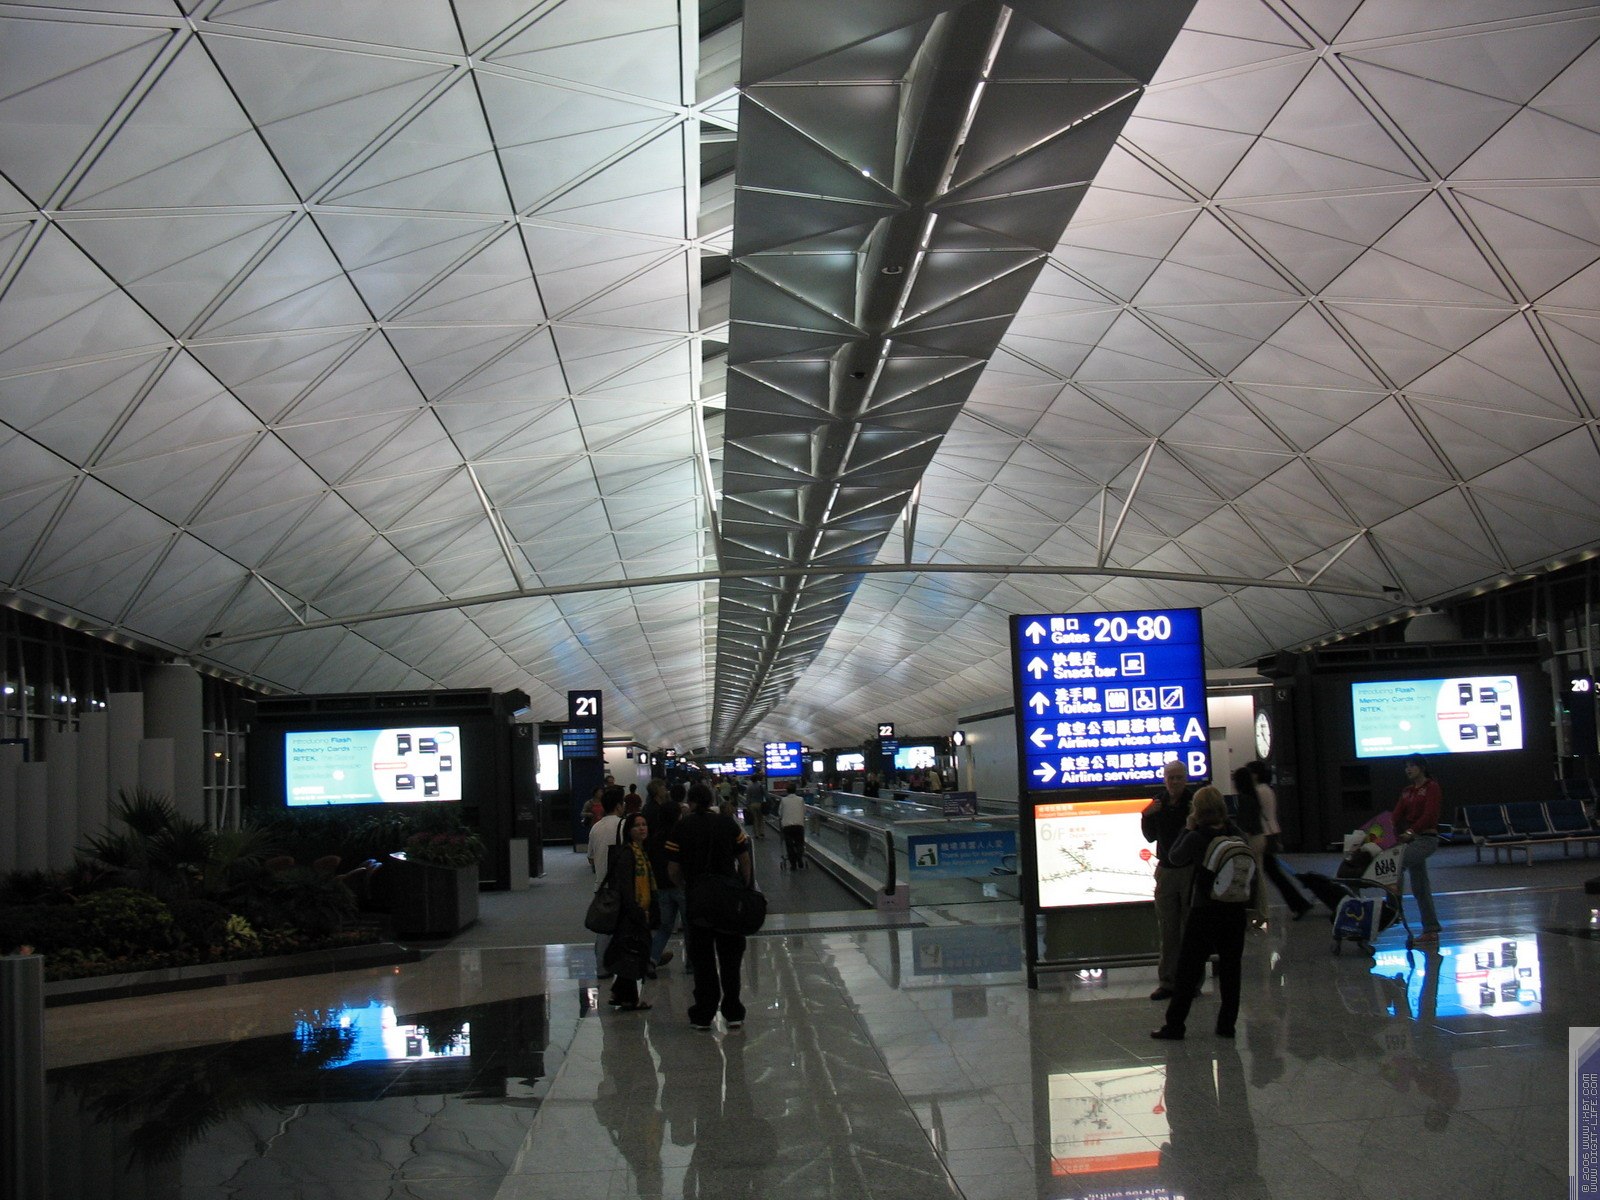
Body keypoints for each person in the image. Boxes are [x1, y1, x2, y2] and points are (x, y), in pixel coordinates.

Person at [1151, 787, 1253, 1040]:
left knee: (1188, 968)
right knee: (1231, 968)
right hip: (1235, 910)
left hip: (1205, 910)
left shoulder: (1197, 837)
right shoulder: (1235, 834)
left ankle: (1175, 1025)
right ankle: (1227, 1025)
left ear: (1196, 810)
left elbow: (1175, 857)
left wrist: (1187, 828)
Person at [667, 781, 753, 1030]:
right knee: (731, 956)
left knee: (702, 958)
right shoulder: (727, 823)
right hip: (727, 899)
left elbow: (672, 869)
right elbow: (744, 859)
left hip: (698, 899)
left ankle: (704, 1013)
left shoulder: (682, 827)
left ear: (691, 802)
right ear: (711, 800)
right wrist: (744, 886)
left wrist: (686, 887)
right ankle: (733, 1011)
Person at [1142, 759, 1194, 1000]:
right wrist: (1146, 816)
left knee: (1190, 929)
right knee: (1168, 929)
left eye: (1178, 777)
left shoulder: (1193, 802)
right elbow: (1150, 836)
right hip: (1166, 870)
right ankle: (1168, 981)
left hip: (1189, 869)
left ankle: (1190, 982)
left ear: (1185, 779)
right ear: (1164, 779)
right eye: (1170, 778)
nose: (1174, 782)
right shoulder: (1158, 802)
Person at [1240, 761, 1312, 924]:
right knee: (1274, 873)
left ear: (1255, 774)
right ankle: (1298, 903)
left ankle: (1298, 904)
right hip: (1272, 831)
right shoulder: (1268, 789)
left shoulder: (1257, 791)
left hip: (1264, 833)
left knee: (1272, 873)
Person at [602, 813, 658, 1010]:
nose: (642, 828)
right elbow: (625, 886)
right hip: (632, 911)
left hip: (639, 909)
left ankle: (621, 994)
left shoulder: (641, 852)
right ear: (629, 830)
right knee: (633, 952)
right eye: (637, 826)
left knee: (632, 951)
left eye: (644, 824)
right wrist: (636, 910)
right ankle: (627, 997)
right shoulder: (628, 853)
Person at [1393, 753, 1443, 939]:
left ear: (1422, 768)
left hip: (1425, 839)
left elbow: (1430, 815)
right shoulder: (1407, 791)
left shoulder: (1432, 787)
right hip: (1411, 839)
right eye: (1406, 766)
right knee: (1420, 886)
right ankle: (1431, 929)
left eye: (1412, 766)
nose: (1408, 769)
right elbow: (1396, 815)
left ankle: (1394, 908)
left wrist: (1411, 831)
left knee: (1397, 864)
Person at [587, 786, 624, 977]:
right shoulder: (624, 825)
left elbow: (591, 858)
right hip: (620, 886)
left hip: (601, 884)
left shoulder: (596, 827)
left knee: (604, 927)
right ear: (618, 806)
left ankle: (602, 965)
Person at [646, 795, 682, 974]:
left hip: (661, 888)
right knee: (690, 926)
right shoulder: (679, 835)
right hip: (679, 886)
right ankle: (692, 964)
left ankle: (652, 960)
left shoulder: (655, 837)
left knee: (665, 927)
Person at [779, 782, 807, 869]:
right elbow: (804, 811)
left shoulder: (783, 800)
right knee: (799, 843)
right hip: (799, 825)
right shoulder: (801, 799)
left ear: (787, 791)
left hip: (787, 826)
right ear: (795, 790)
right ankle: (800, 858)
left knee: (789, 845)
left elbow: (780, 813)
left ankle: (793, 864)